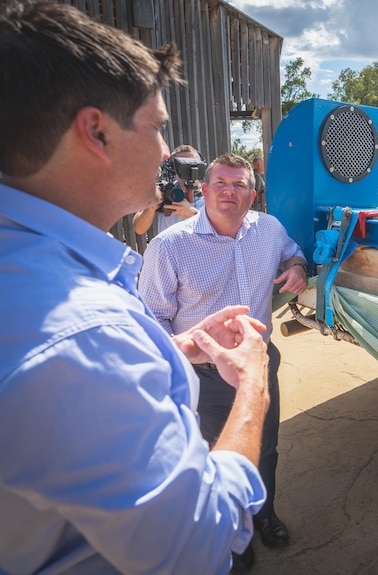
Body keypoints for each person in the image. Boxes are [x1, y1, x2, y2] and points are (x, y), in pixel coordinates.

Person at [0, 2, 272, 574]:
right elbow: (198, 547)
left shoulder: (32, 272)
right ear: (96, 131)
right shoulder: (88, 337)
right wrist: (252, 387)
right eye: (157, 127)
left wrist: (165, 349)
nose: (165, 153)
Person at [138, 152, 308, 572]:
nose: (230, 191)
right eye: (221, 183)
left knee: (265, 447)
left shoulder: (268, 229)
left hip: (259, 365)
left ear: (252, 194)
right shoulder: (169, 246)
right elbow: (152, 319)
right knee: (215, 455)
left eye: (240, 185)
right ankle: (233, 532)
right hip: (205, 375)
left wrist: (298, 267)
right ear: (205, 189)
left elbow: (292, 251)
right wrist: (193, 348)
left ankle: (263, 514)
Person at [132, 144, 206, 235]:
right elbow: (139, 229)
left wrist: (193, 214)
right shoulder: (165, 191)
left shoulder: (211, 195)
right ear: (173, 169)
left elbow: (224, 230)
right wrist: (151, 209)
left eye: (193, 162)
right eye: (182, 164)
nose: (189, 168)